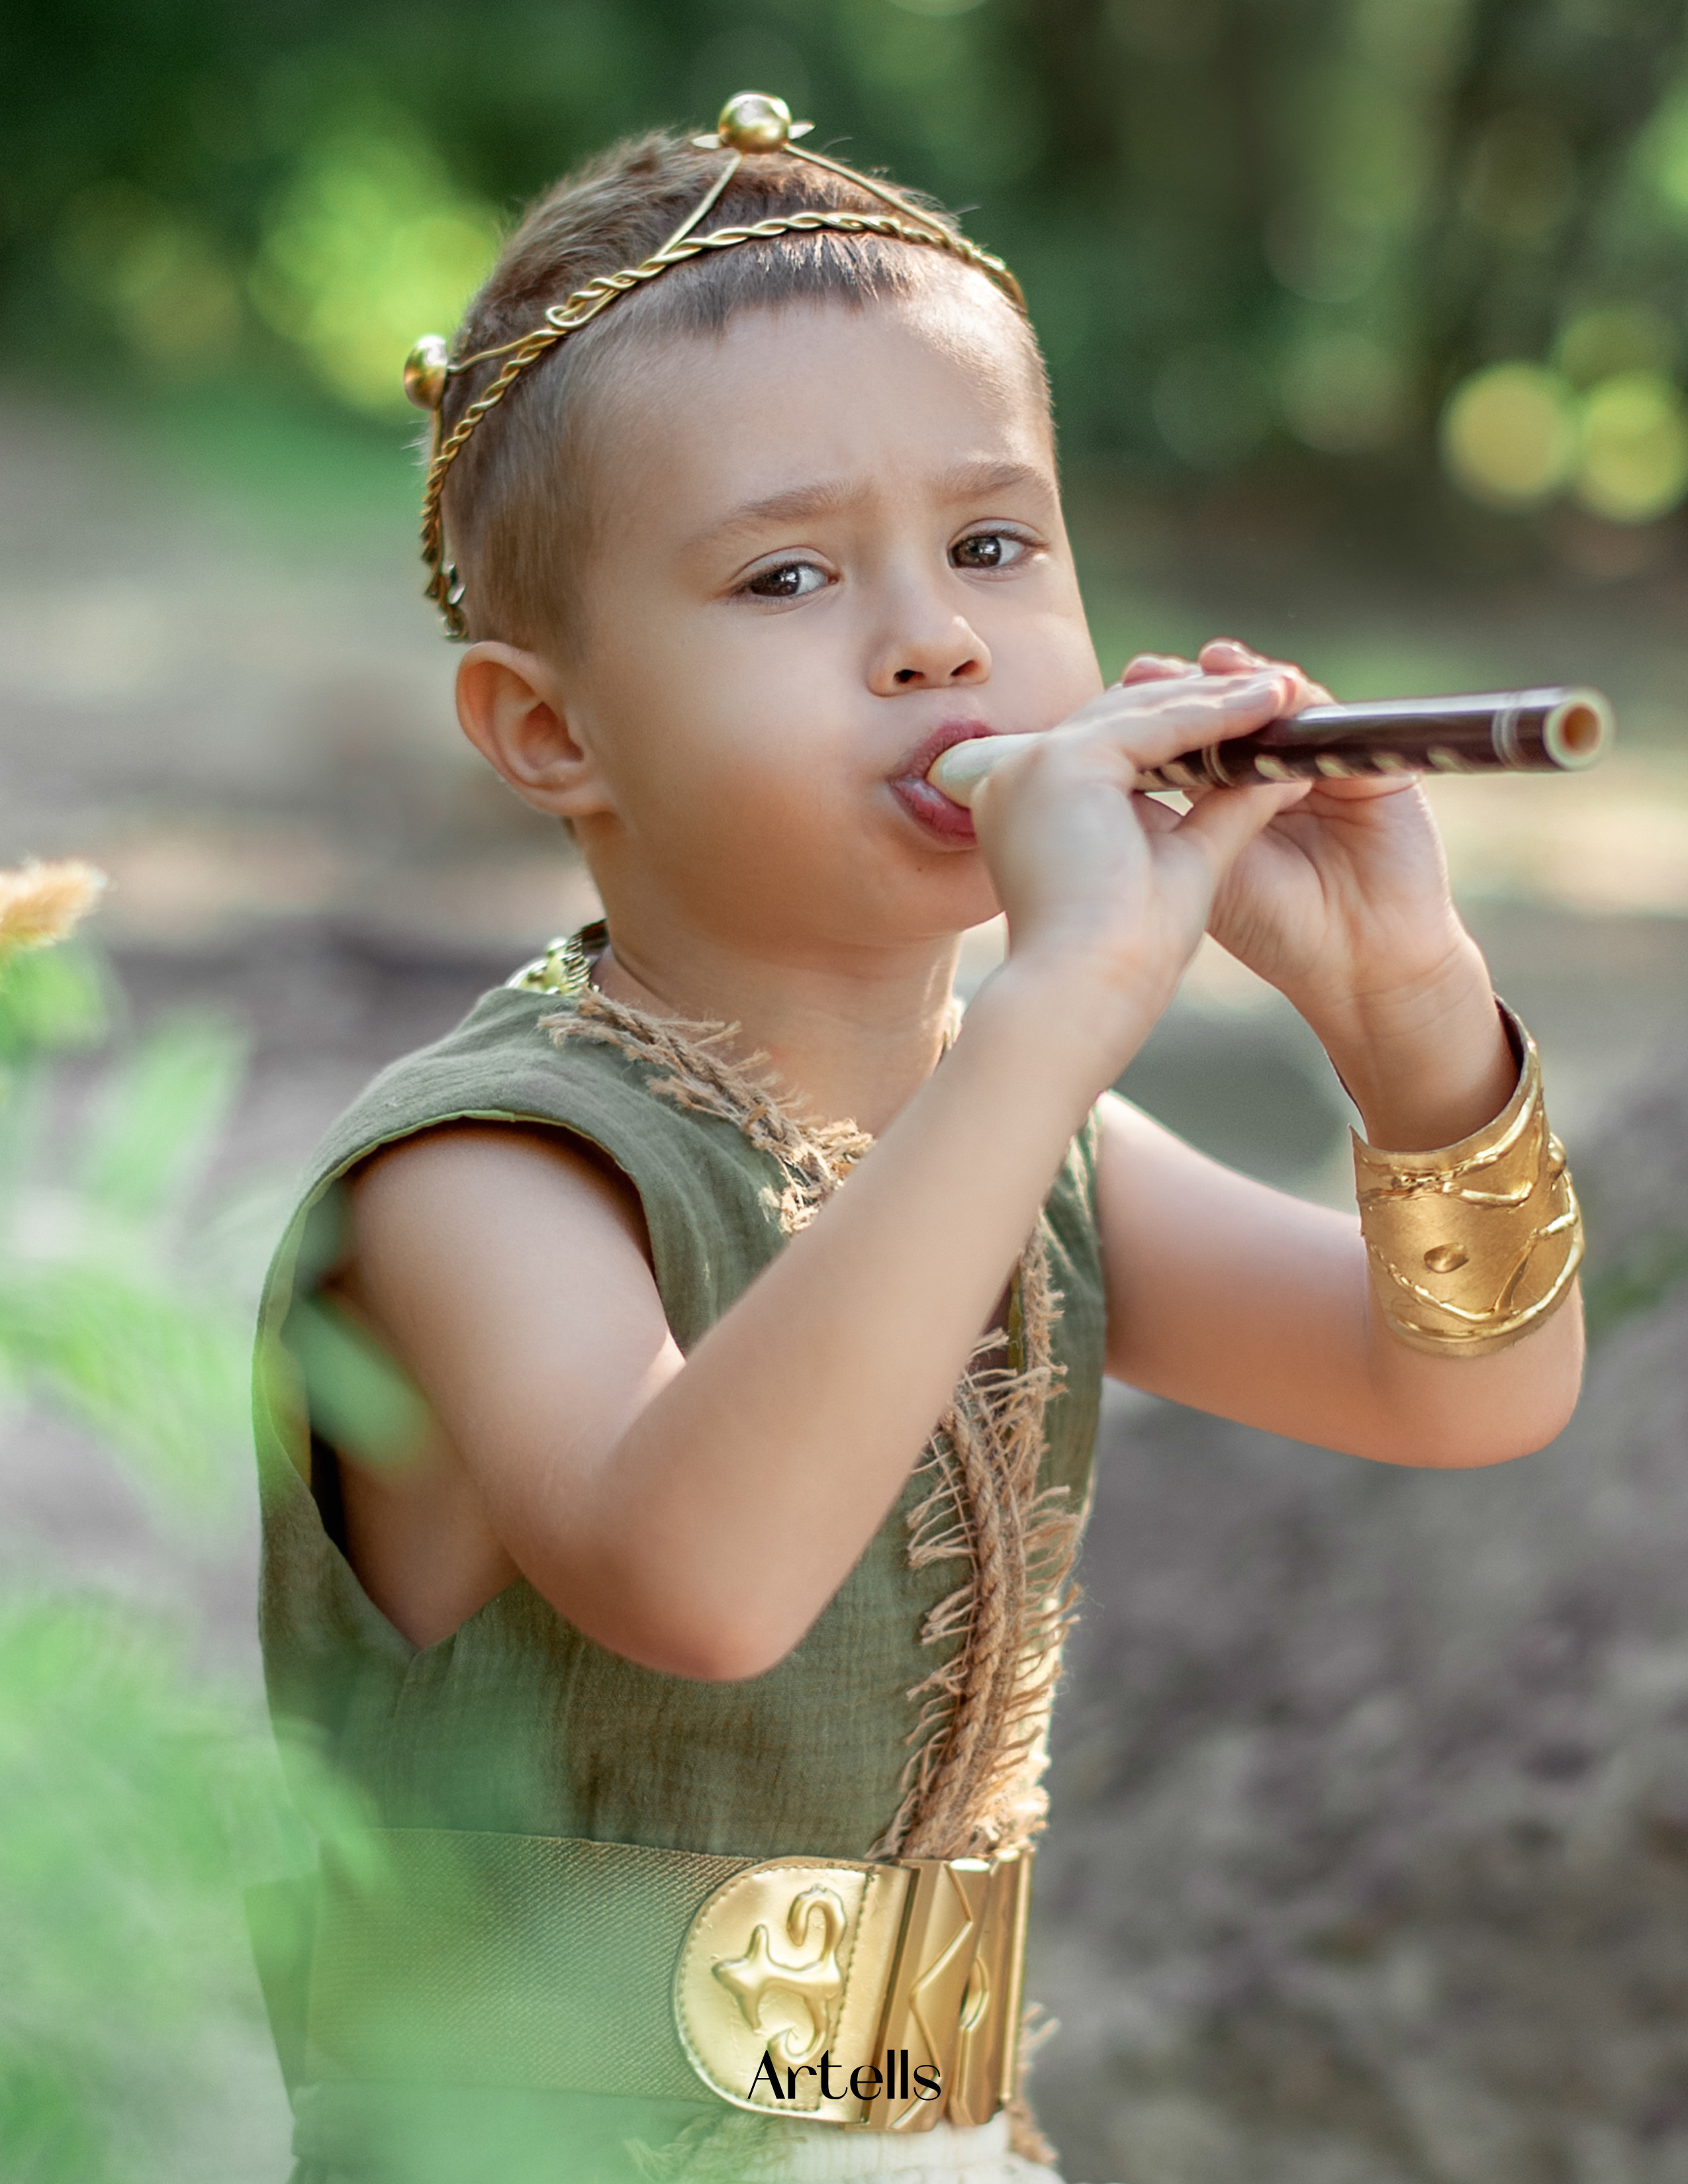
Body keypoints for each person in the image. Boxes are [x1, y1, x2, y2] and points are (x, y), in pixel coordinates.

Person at [250, 92, 1585, 2184]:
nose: (935, 637)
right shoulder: (484, 1178)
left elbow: (1472, 1392)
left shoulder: (1027, 1133)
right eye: (789, 574)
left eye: (993, 543)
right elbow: (704, 1580)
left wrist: (1406, 1011)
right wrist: (1055, 1010)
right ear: (550, 728)